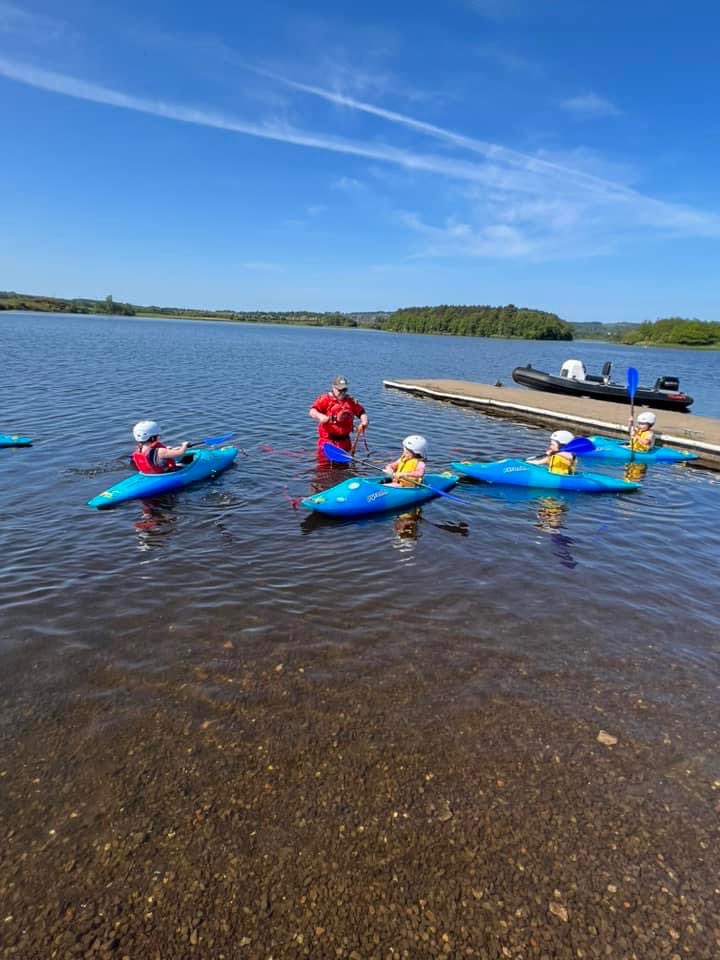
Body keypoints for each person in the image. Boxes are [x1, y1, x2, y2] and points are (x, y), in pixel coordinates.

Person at [309, 375, 368, 459]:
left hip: (345, 442)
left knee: (344, 468)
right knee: (324, 469)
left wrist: (364, 421)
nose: (342, 393)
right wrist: (320, 416)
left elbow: (362, 413)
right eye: (340, 390)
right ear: (333, 387)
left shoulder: (350, 401)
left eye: (344, 390)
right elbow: (312, 411)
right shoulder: (325, 399)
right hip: (328, 443)